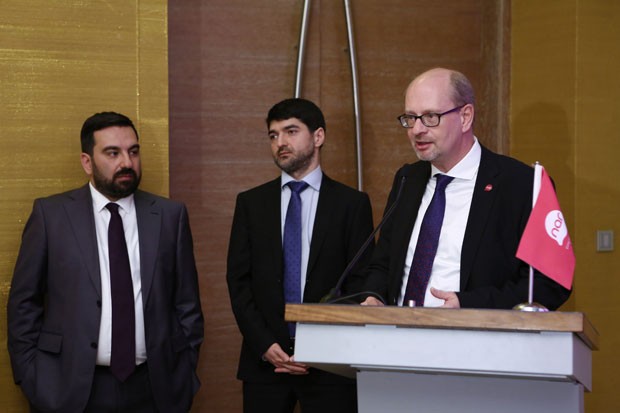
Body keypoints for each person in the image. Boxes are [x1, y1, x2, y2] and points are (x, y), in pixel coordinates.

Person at [7, 112, 204, 412]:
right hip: (70, 390)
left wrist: (184, 370)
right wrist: (33, 378)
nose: (127, 162)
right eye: (113, 153)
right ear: (87, 162)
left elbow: (187, 303)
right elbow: (24, 304)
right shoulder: (51, 216)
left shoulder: (169, 216)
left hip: (154, 388)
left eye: (133, 151)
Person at [362, 68, 571, 309]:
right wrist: (374, 296)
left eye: (430, 117)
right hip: (398, 328)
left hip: (478, 330)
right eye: (410, 118)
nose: (417, 129)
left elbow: (550, 284)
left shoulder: (523, 185)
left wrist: (468, 305)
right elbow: (384, 263)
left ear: (465, 117)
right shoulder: (407, 179)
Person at [227, 98, 374, 413]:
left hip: (331, 366)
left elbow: (359, 282)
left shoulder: (352, 204)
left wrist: (319, 346)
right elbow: (239, 283)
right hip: (265, 364)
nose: (280, 142)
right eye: (273, 135)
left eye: (291, 131)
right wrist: (265, 345)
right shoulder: (251, 204)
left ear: (318, 136)